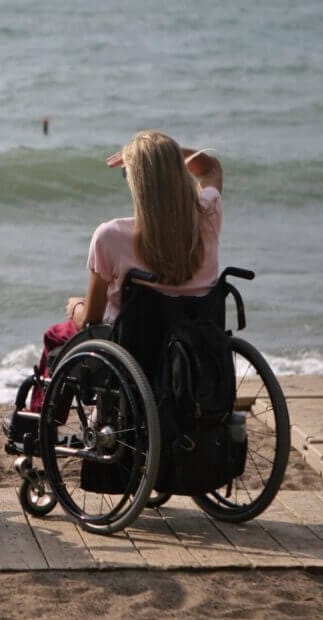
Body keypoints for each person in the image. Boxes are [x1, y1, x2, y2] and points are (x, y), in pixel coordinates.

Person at [28, 130, 223, 410]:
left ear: (137, 183)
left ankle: (39, 424)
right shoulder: (208, 214)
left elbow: (91, 318)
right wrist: (166, 154)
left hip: (133, 350)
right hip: (195, 341)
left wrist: (75, 308)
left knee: (57, 334)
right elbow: (210, 167)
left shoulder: (111, 236)